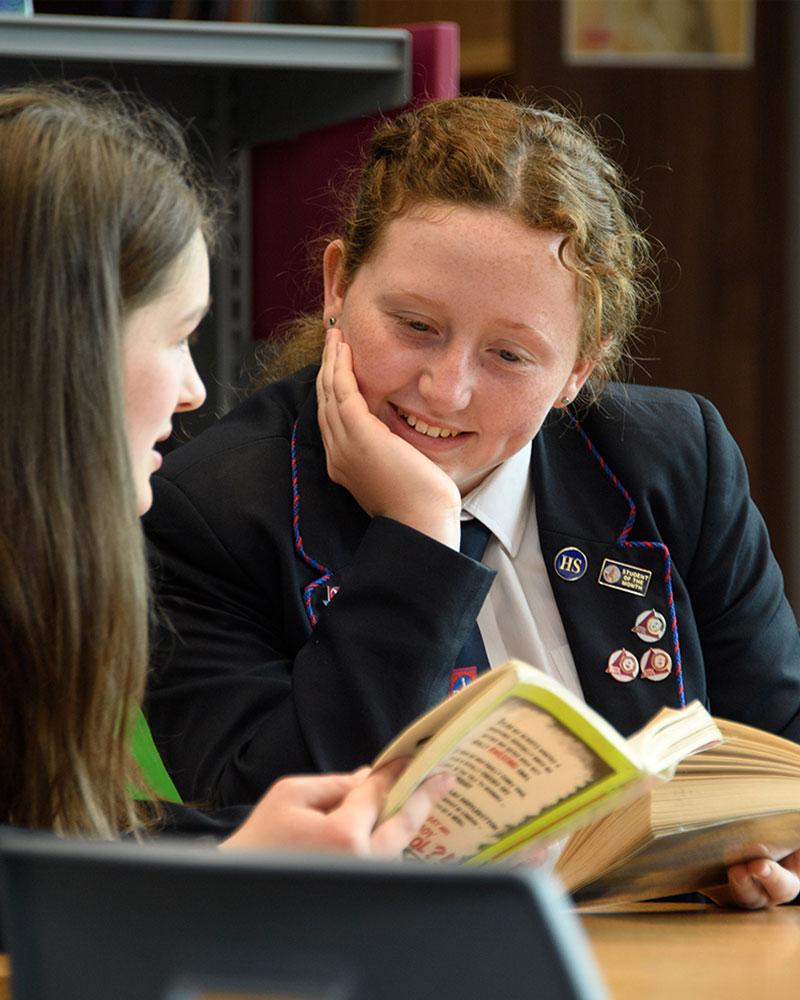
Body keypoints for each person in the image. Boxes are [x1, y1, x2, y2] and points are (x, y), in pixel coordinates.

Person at [143, 95, 800, 906]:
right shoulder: (208, 510)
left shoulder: (673, 459)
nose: (446, 389)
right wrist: (417, 538)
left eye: (510, 354)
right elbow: (283, 825)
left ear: (579, 369)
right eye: (415, 325)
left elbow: (775, 747)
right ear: (338, 284)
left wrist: (765, 859)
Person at [0, 81, 448, 854]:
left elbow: (54, 841)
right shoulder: (214, 506)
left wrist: (234, 856)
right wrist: (238, 869)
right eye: (177, 337)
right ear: (63, 352)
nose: (193, 390)